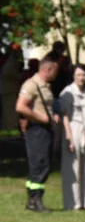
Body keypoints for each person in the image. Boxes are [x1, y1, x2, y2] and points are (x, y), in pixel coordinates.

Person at [15, 52, 60, 212]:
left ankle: (32, 200)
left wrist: (52, 116)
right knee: (39, 165)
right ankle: (36, 200)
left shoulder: (45, 85)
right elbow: (20, 107)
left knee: (42, 165)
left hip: (45, 130)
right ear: (47, 70)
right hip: (37, 131)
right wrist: (40, 117)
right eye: (55, 70)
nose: (57, 73)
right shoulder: (31, 85)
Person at [58, 64, 85, 211]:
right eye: (79, 75)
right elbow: (65, 117)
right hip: (73, 129)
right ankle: (72, 204)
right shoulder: (68, 93)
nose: (82, 78)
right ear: (73, 76)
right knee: (73, 168)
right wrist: (69, 136)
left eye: (84, 75)